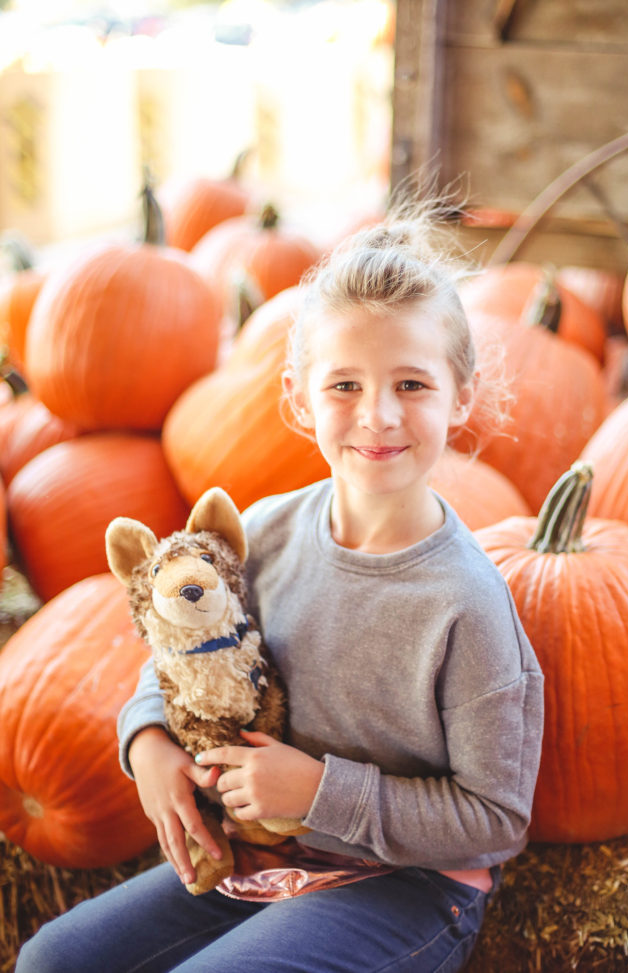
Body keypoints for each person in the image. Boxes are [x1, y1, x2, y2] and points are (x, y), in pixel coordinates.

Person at [16, 198, 544, 973]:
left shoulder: (465, 602)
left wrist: (322, 791)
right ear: (298, 397)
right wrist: (150, 736)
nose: (379, 414)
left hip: (408, 887)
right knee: (53, 958)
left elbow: (496, 819)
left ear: (461, 394)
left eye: (412, 384)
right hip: (261, 857)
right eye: (344, 387)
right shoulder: (263, 533)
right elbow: (181, 650)